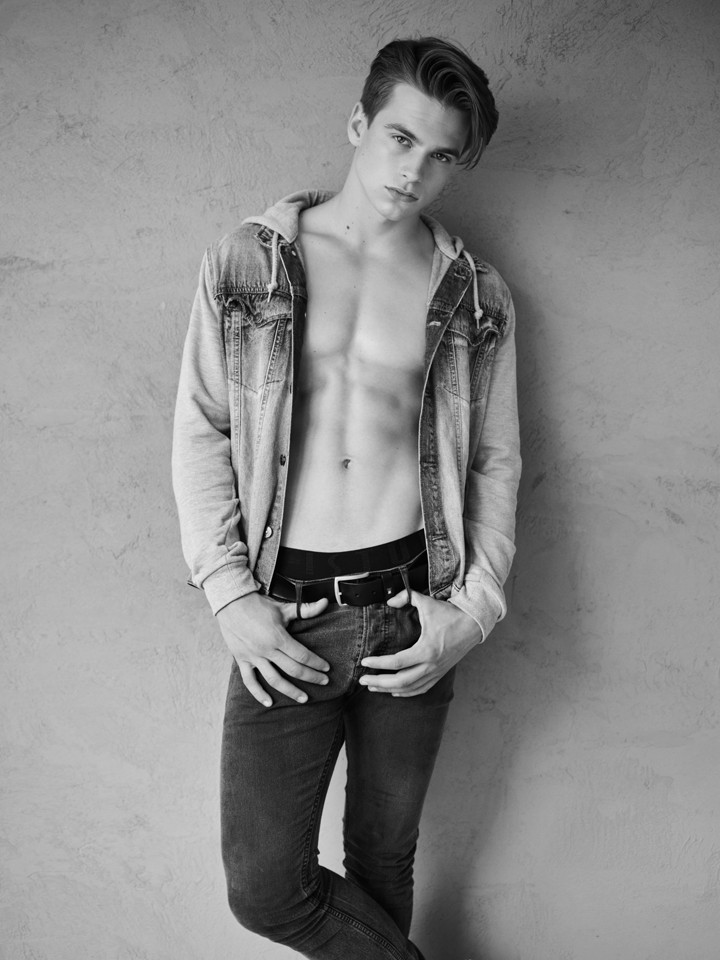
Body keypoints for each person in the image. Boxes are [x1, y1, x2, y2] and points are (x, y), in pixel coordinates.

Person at [172, 36, 521, 960]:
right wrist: (230, 595)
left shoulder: (474, 294)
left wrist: (473, 613)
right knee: (266, 890)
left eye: (442, 155)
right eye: (401, 138)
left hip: (415, 611)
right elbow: (202, 430)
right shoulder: (249, 261)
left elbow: (494, 462)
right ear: (359, 124)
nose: (416, 171)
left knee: (382, 859)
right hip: (287, 618)